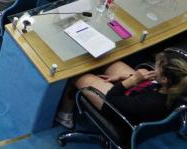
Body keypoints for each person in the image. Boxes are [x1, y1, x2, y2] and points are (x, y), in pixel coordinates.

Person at [55, 48, 187, 129]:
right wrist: (126, 78)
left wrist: (131, 81)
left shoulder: (151, 103)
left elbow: (111, 99)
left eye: (157, 66)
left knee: (76, 75)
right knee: (111, 63)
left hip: (119, 111)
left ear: (164, 79)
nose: (154, 66)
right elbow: (150, 87)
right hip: (139, 97)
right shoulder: (173, 86)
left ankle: (65, 116)